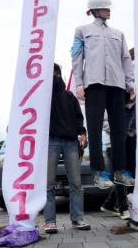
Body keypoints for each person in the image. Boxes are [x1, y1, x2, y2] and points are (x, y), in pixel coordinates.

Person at [71, 0, 135, 189]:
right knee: (95, 128)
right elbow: (76, 57)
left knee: (119, 130)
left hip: (116, 85)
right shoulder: (82, 31)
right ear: (95, 10)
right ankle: (99, 173)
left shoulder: (119, 33)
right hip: (94, 83)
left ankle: (120, 171)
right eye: (106, 8)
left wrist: (130, 84)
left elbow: (126, 59)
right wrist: (79, 84)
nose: (109, 11)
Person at [44, 64, 91, 234]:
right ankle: (49, 221)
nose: (55, 78)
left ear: (60, 74)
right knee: (48, 184)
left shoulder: (70, 96)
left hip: (71, 142)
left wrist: (83, 133)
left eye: (56, 74)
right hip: (51, 141)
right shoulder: (43, 97)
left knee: (76, 184)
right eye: (52, 74)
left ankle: (77, 219)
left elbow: (79, 118)